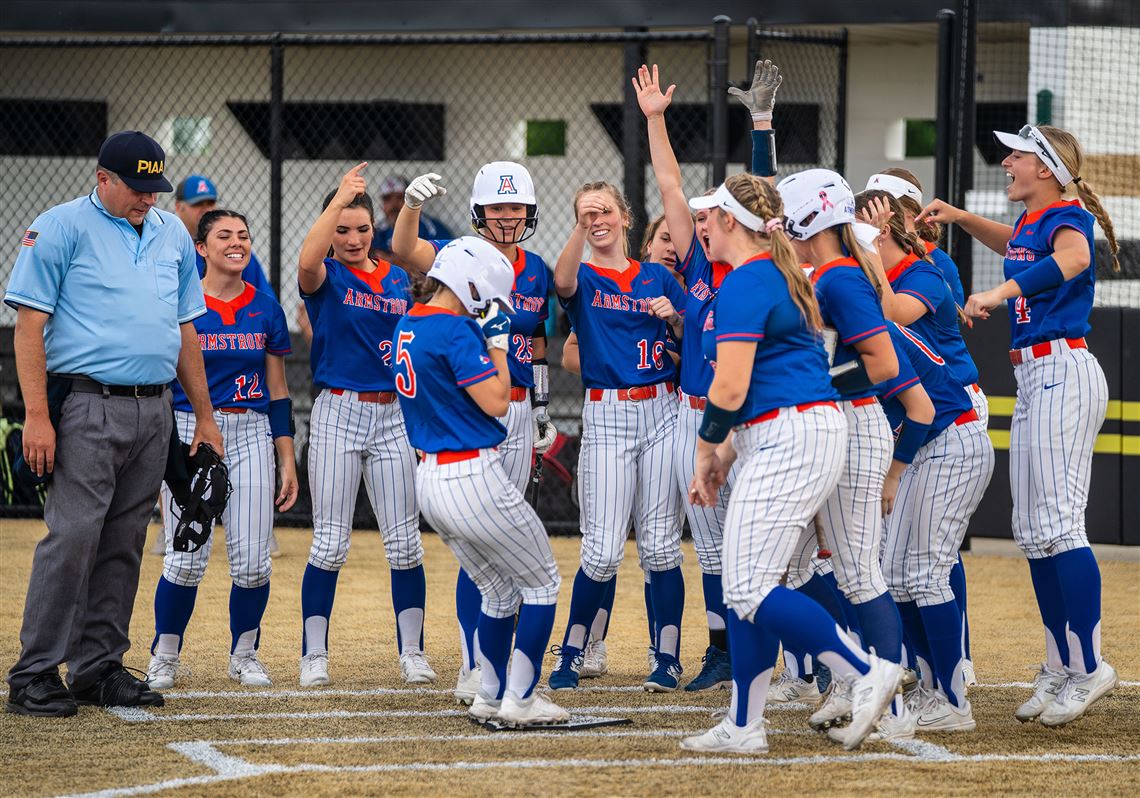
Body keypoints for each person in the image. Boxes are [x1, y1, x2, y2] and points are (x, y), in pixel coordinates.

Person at [680, 173, 901, 754]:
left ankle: (862, 669)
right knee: (747, 585)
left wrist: (706, 450)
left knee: (749, 585)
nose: (702, 226)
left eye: (711, 216)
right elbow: (754, 385)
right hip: (787, 430)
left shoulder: (750, 278)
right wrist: (727, 451)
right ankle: (744, 725)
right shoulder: (769, 272)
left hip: (791, 434)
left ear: (733, 222)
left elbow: (728, 389)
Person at [4, 130, 222, 716]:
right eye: (137, 188)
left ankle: (98, 667)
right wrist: (37, 418)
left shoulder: (172, 231)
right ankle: (35, 672)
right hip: (86, 403)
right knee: (73, 537)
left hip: (154, 407)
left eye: (155, 189)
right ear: (103, 178)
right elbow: (29, 327)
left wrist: (203, 416)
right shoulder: (59, 227)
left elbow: (185, 329)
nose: (147, 199)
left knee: (125, 542)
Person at [918, 123, 1121, 727]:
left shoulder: (1069, 213)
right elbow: (1019, 244)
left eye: (1018, 155)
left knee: (1058, 523)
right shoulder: (1036, 221)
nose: (1006, 161)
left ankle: (1088, 666)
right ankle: (1060, 664)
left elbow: (1074, 257)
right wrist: (959, 217)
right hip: (1036, 375)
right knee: (1032, 531)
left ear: (1047, 168)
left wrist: (998, 292)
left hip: (1064, 367)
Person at [625, 59, 784, 692]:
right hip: (700, 412)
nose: (706, 221)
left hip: (752, 413)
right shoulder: (697, 269)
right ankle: (724, 651)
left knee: (765, 547)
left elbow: (764, 197)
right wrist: (656, 122)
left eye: (715, 215)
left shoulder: (758, 266)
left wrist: (763, 125)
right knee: (714, 547)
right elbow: (667, 185)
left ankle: (778, 655)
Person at [390, 161, 556, 704]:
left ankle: (490, 686)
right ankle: (511, 691)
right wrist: (499, 345)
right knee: (537, 579)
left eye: (516, 207)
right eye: (497, 207)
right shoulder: (461, 294)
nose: (507, 216)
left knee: (497, 579)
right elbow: (489, 395)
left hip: (443, 458)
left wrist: (542, 403)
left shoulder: (417, 317)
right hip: (474, 440)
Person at [773, 169, 906, 730]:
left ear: (808, 218)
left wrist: (814, 374)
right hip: (832, 421)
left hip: (853, 422)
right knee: (791, 563)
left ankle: (891, 702)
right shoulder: (828, 272)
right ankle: (852, 678)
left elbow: (885, 365)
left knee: (857, 572)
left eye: (787, 213)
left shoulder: (842, 278)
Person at [145, 209, 299, 690]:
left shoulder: (266, 307)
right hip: (191, 430)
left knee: (252, 559)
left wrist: (287, 455)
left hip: (250, 430)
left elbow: (278, 390)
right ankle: (165, 654)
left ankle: (245, 652)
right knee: (186, 555)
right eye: (224, 236)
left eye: (245, 236)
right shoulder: (178, 302)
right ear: (201, 248)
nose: (237, 243)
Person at [547, 179, 688, 693]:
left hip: (661, 412)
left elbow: (691, 339)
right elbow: (561, 282)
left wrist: (675, 321)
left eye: (604, 210)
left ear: (626, 217)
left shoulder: (657, 276)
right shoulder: (582, 273)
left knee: (660, 547)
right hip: (607, 414)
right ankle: (574, 651)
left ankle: (666, 657)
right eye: (586, 213)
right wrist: (578, 231)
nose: (596, 219)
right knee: (602, 550)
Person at [297, 163, 433, 688]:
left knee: (404, 543)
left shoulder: (398, 277)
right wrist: (338, 201)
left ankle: (413, 653)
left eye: (361, 228)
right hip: (339, 410)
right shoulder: (325, 274)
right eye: (341, 229)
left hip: (394, 413)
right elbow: (308, 261)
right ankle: (314, 655)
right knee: (330, 542)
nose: (352, 238)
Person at [833, 320, 993, 739]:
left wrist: (892, 476)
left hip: (953, 441)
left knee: (926, 576)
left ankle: (955, 701)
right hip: (929, 447)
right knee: (898, 578)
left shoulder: (867, 329)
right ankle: (932, 688)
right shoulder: (847, 331)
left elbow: (922, 410)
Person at [175, 175, 274, 296]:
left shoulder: (235, 252)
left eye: (210, 203)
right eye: (198, 204)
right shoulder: (168, 249)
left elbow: (265, 299)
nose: (206, 210)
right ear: (179, 207)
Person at [371, 175, 454, 262]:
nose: (393, 204)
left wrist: (396, 262)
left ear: (411, 199)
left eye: (400, 197)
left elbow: (446, 258)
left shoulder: (431, 228)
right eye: (387, 199)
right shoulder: (379, 230)